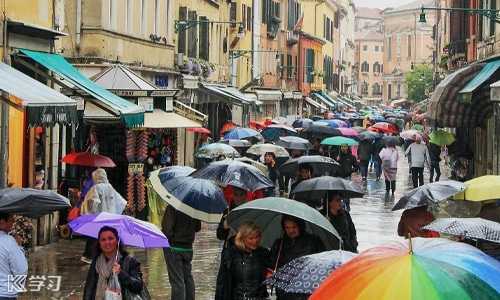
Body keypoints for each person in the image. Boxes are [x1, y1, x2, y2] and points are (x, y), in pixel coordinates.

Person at [270, 215, 324, 300]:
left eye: (294, 227)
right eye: (287, 227)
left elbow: (322, 263)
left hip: (306, 289)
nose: (291, 230)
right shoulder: (279, 243)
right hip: (284, 292)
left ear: (300, 226)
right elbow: (272, 264)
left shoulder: (313, 241)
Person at [83, 226, 144, 300]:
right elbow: (89, 288)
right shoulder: (96, 261)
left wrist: (121, 273)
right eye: (103, 240)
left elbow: (138, 286)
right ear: (99, 243)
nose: (107, 242)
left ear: (117, 241)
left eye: (110, 238)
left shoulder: (129, 261)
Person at [80, 168, 127, 264]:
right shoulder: (110, 187)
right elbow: (121, 202)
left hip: (99, 217)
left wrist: (90, 212)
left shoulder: (96, 188)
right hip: (110, 217)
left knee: (93, 236)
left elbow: (93, 201)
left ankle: (88, 256)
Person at [215, 222, 270, 300]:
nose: (255, 241)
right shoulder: (231, 254)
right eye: (251, 238)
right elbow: (222, 283)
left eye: (257, 237)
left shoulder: (264, 254)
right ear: (242, 238)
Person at [162, 205, 201, 300]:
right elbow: (198, 227)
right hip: (188, 248)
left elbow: (167, 230)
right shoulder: (194, 206)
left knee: (177, 282)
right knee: (187, 278)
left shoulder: (173, 206)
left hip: (174, 248)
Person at [0, 213, 28, 300]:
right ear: (2, 222)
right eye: (11, 221)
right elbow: (21, 270)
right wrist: (19, 247)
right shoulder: (9, 241)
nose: (13, 224)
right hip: (5, 293)